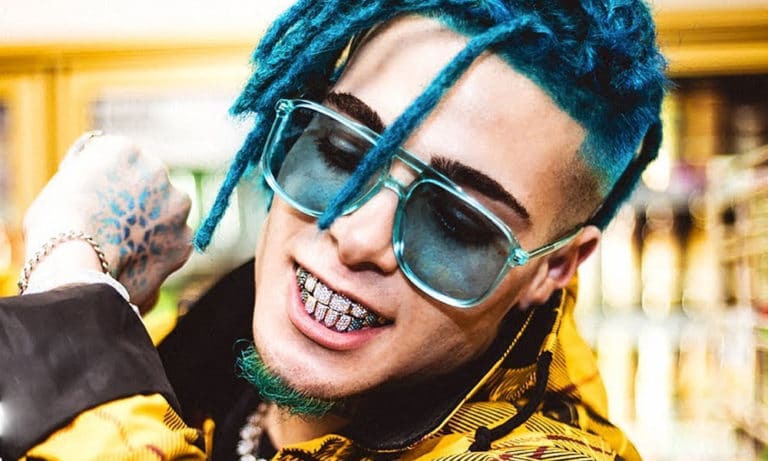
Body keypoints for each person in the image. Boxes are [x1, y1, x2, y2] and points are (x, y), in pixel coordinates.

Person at [0, 0, 667, 459]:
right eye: (344, 151)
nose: (357, 236)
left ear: (553, 267)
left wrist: (70, 292)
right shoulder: (207, 336)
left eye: (457, 219)